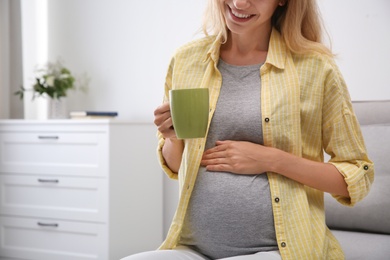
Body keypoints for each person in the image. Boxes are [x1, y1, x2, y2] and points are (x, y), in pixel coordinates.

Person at [122, 0, 374, 259]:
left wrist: (271, 160)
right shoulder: (186, 60)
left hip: (280, 250)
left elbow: (358, 174)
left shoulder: (316, 68)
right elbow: (175, 166)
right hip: (192, 247)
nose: (240, 2)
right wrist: (173, 138)